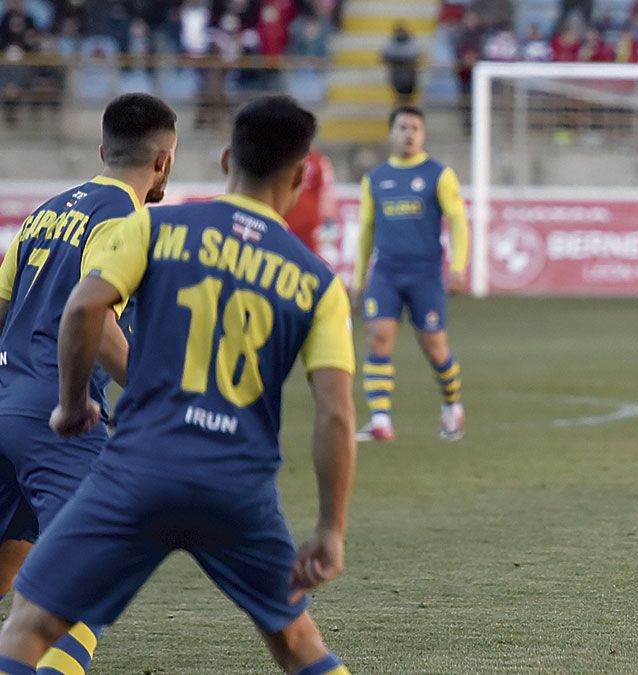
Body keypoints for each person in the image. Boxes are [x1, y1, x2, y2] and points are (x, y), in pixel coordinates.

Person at [0, 95, 357, 674]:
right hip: (238, 486)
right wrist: (330, 531)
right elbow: (337, 415)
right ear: (300, 176)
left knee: (32, 623)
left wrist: (71, 403)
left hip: (138, 465)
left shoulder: (154, 227)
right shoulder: (317, 282)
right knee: (297, 644)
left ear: (224, 160)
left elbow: (84, 307)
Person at [0, 92, 177, 674]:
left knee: (12, 562)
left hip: (5, 403)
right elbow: (95, 320)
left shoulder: (45, 211)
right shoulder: (127, 221)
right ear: (164, 162)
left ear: (103, 150)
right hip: (58, 415)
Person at [353, 106, 468, 442]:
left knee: (435, 348)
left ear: (424, 134)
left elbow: (459, 222)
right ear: (392, 133)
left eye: (415, 127)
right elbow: (365, 231)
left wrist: (458, 267)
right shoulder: (374, 179)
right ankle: (380, 420)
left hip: (425, 275)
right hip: (386, 273)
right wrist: (359, 279)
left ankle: (452, 406)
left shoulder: (439, 175)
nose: (409, 133)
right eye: (403, 127)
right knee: (378, 338)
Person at [284, 147, 338, 259]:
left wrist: (328, 221)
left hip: (309, 225)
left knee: (307, 259)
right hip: (285, 219)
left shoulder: (318, 161)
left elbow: (326, 191)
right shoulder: (285, 157)